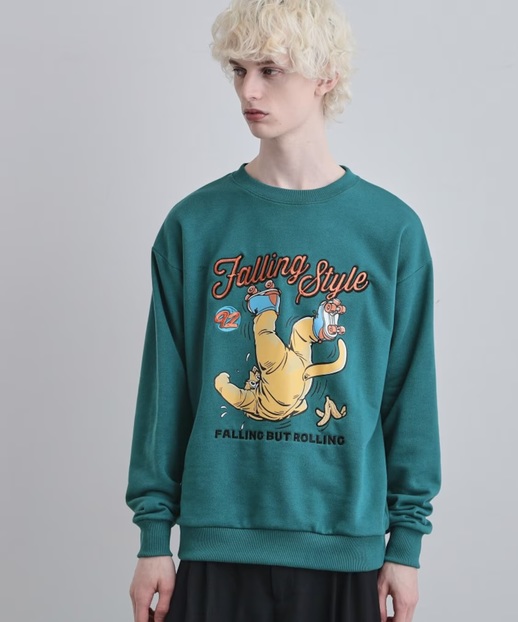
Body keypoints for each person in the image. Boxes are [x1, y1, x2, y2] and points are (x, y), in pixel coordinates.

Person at [126, 1, 441, 621]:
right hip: (217, 548)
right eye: (239, 70)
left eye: (270, 70)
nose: (248, 90)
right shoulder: (194, 225)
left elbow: (410, 396)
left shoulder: (391, 231)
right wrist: (153, 537)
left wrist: (406, 544)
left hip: (346, 550)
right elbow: (164, 393)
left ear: (325, 75)